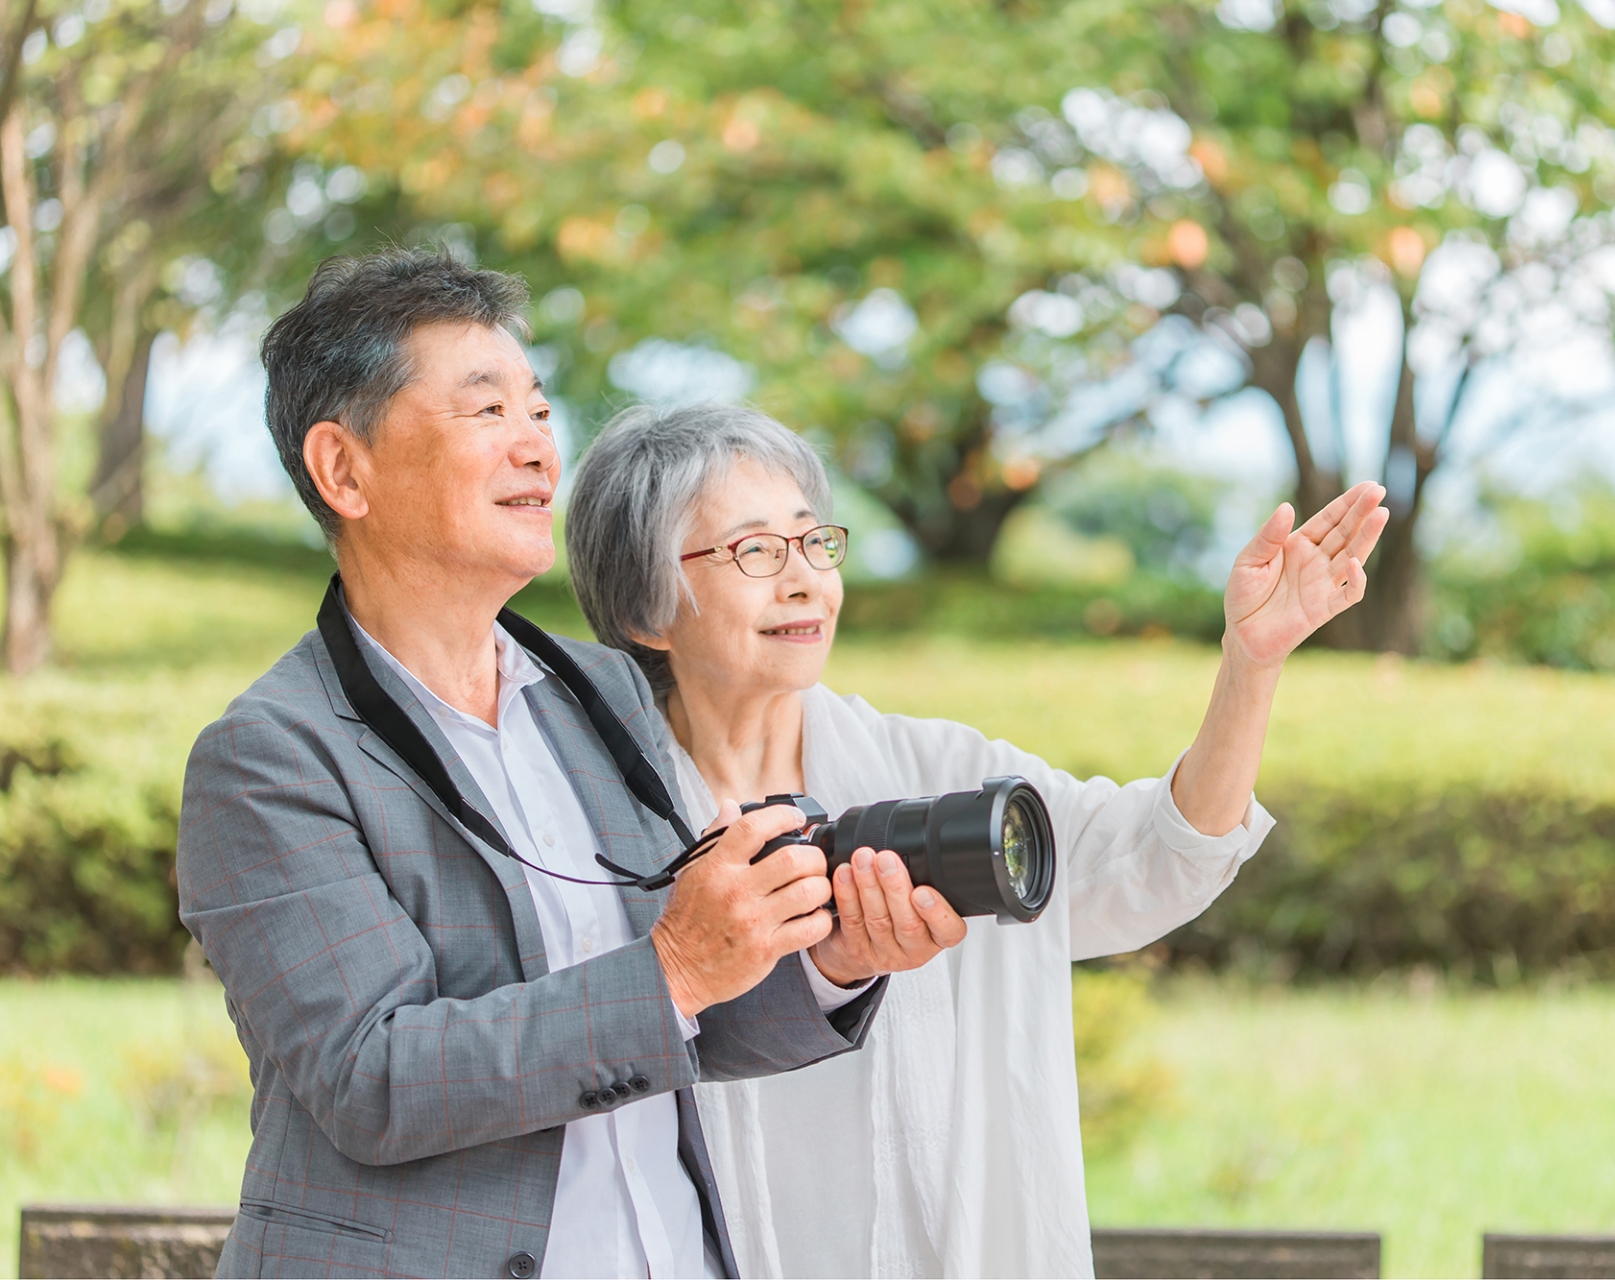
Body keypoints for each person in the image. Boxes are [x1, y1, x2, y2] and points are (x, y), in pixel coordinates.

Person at [175, 250, 963, 1280]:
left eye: (541, 411)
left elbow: (683, 1020)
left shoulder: (604, 693)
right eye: (485, 409)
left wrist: (828, 958)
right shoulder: (269, 759)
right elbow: (373, 1079)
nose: (538, 447)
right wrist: (677, 965)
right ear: (343, 469)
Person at [564, 402, 1390, 1277]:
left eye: (814, 542)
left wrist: (1250, 663)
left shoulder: (935, 772)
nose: (804, 580)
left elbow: (1155, 858)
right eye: (756, 552)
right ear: (647, 607)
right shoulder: (585, 828)